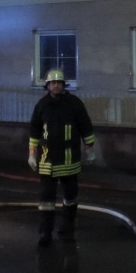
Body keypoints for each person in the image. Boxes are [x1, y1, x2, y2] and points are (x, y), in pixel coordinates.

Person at [28, 68, 96, 247]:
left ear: (64, 84)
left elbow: (86, 127)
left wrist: (90, 149)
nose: (56, 85)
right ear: (47, 85)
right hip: (48, 160)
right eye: (53, 83)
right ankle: (45, 232)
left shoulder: (74, 103)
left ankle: (68, 227)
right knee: (46, 199)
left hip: (69, 159)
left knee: (71, 196)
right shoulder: (42, 105)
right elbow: (34, 131)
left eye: (59, 82)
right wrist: (32, 154)